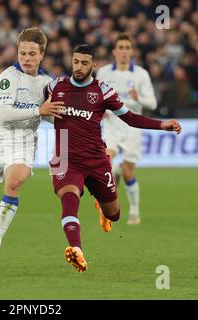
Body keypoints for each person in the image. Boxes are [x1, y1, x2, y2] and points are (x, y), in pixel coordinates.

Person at [46, 44, 181, 272]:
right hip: (66, 159)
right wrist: (40, 110)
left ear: (94, 65)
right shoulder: (55, 86)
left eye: (84, 63)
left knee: (114, 214)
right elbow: (34, 104)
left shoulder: (103, 91)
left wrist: (162, 125)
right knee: (69, 198)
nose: (78, 67)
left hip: (97, 160)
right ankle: (76, 250)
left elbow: (129, 118)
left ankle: (101, 206)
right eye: (76, 61)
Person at [0, 27, 64, 258]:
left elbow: (52, 114)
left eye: (32, 54)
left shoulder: (47, 83)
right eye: (22, 53)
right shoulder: (8, 77)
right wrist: (38, 110)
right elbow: (4, 114)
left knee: (13, 184)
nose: (26, 58)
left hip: (23, 142)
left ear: (42, 55)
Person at [96, 33, 157, 225]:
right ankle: (107, 208)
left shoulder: (140, 74)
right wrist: (101, 110)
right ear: (114, 51)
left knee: (129, 171)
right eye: (120, 47)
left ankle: (134, 212)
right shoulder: (104, 73)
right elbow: (95, 97)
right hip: (111, 125)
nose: (123, 51)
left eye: (127, 48)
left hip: (132, 127)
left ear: (131, 51)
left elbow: (153, 103)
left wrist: (139, 98)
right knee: (107, 160)